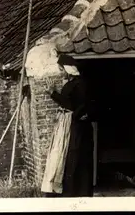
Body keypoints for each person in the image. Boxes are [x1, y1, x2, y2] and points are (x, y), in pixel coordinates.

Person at [46, 54, 94, 197]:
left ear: (68, 69)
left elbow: (76, 105)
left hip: (78, 126)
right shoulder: (71, 83)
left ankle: (78, 192)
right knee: (67, 155)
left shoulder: (80, 84)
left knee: (76, 155)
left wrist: (53, 94)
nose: (61, 72)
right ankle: (67, 190)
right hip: (69, 123)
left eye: (61, 69)